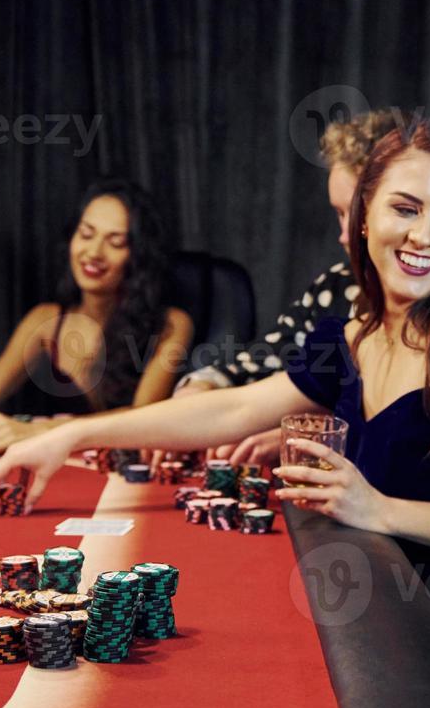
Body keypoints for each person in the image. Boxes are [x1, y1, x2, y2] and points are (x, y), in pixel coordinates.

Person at [0, 118, 430, 686]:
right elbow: (233, 409)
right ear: (363, 217)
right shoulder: (352, 338)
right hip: (357, 602)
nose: (425, 236)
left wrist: (382, 510)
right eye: (405, 207)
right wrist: (66, 438)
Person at [171, 107, 406, 469]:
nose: (345, 235)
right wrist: (201, 389)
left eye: (358, 213)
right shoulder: (336, 284)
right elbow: (265, 361)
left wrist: (311, 436)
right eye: (339, 214)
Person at [0, 179, 194, 455]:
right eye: (85, 234)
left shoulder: (172, 324)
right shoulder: (45, 322)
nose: (94, 252)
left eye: (116, 242)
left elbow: (144, 420)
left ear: (138, 256)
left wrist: (41, 431)